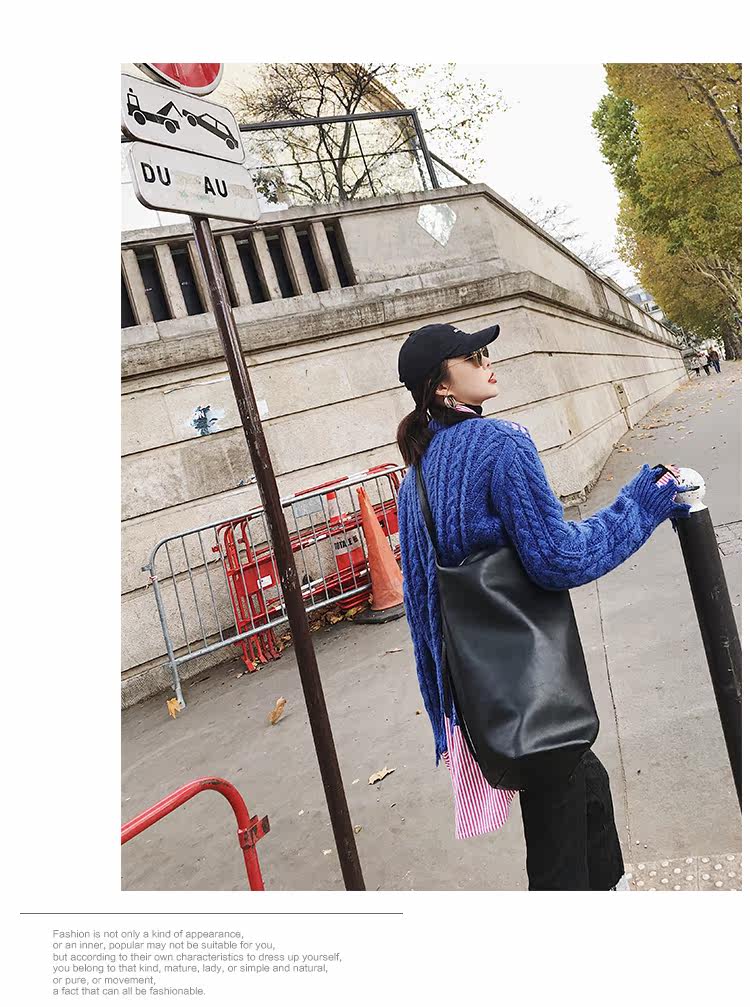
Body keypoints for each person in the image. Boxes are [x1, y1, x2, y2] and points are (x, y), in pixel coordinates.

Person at [395, 322, 693, 891]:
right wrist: (641, 504)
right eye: (472, 356)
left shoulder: (416, 481)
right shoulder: (500, 443)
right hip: (530, 685)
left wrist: (448, 707)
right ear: (441, 386)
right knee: (559, 842)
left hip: (485, 691)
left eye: (485, 352)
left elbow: (423, 605)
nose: (487, 361)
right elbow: (557, 558)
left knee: (584, 784)